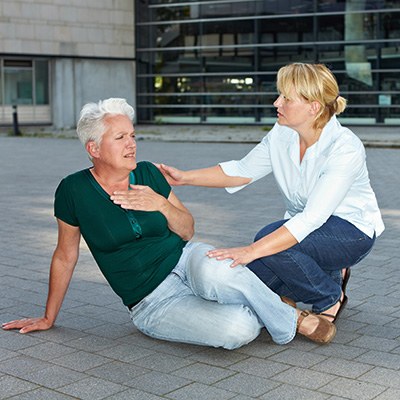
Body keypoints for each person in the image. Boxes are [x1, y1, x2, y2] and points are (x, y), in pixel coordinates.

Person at [2, 98, 336, 349]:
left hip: (185, 261)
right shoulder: (73, 190)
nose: (132, 143)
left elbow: (188, 230)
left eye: (132, 135)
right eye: (120, 137)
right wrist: (48, 317)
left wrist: (160, 204)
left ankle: (291, 319)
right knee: (238, 331)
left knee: (215, 270)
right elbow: (65, 255)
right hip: (152, 300)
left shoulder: (147, 173)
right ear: (94, 148)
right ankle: (266, 302)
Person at [158, 63, 384, 324]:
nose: (277, 103)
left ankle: (329, 296)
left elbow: (312, 218)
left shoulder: (345, 147)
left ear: (314, 107)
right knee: (257, 278)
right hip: (306, 230)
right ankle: (324, 270)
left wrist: (252, 250)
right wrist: (185, 178)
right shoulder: (282, 134)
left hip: (350, 233)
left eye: (286, 98)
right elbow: (242, 170)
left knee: (268, 244)